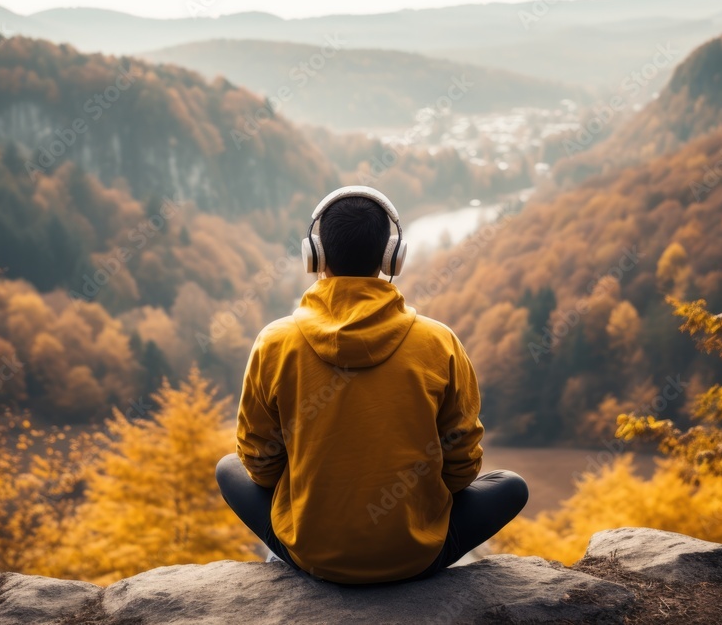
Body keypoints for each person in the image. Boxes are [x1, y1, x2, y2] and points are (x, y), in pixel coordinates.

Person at [215, 185, 528, 585]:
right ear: (391, 258)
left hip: (311, 555)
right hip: (415, 556)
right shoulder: (439, 342)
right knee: (511, 487)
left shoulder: (274, 342)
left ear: (316, 256)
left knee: (229, 468)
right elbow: (463, 466)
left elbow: (259, 465)